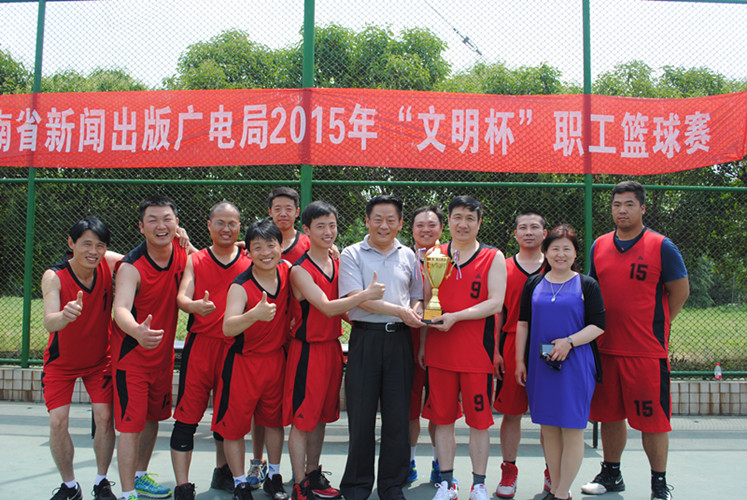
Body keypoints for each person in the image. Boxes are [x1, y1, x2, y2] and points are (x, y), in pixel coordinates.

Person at [581, 181, 689, 500]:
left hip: (646, 352)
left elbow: (680, 292)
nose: (622, 210)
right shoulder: (599, 245)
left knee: (653, 421)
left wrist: (657, 324)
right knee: (610, 415)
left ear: (642, 208)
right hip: (605, 348)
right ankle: (611, 474)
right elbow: (593, 292)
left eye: (629, 204)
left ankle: (659, 484)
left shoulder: (662, 246)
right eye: (616, 205)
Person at [285, 200, 385, 500]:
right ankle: (299, 484)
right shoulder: (300, 270)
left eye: (332, 225)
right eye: (320, 226)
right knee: (302, 420)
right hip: (307, 352)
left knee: (320, 418)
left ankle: (313, 474)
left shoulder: (336, 262)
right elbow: (328, 307)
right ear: (306, 230)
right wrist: (366, 295)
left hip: (332, 349)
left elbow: (344, 311)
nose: (328, 232)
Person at [338, 194, 424, 500]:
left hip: (400, 341)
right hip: (365, 339)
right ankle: (357, 485)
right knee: (360, 416)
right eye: (378, 219)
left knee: (398, 416)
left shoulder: (408, 255)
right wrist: (401, 311)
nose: (384, 226)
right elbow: (357, 298)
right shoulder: (351, 253)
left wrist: (414, 311)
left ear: (400, 223)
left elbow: (417, 295)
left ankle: (391, 485)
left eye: (390, 220)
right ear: (367, 221)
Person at [111, 195, 195, 500]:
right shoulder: (131, 267)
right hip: (132, 359)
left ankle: (140, 476)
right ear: (141, 227)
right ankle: (127, 493)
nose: (161, 226)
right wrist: (136, 330)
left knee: (151, 420)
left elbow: (211, 262)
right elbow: (120, 308)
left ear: (176, 223)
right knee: (130, 427)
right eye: (153, 220)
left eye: (167, 219)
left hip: (162, 359)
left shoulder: (182, 254)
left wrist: (188, 244)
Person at [423, 196, 507, 500]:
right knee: (443, 420)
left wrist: (456, 317)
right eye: (457, 217)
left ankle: (479, 484)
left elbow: (495, 303)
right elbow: (426, 299)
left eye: (470, 218)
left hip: (476, 355)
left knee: (479, 423)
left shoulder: (493, 256)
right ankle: (447, 483)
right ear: (448, 221)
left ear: (479, 223)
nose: (463, 224)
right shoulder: (434, 255)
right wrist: (422, 328)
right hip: (439, 352)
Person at [515, 225, 605, 500]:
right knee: (549, 429)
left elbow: (598, 325)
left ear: (576, 253)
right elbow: (523, 324)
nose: (561, 254)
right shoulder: (534, 283)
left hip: (576, 366)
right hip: (540, 366)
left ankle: (563, 492)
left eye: (567, 249)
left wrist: (569, 342)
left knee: (573, 429)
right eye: (555, 248)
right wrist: (519, 361)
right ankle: (555, 487)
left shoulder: (586, 285)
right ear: (545, 251)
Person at [170, 201, 251, 499]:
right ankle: (183, 485)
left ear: (239, 226)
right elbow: (182, 296)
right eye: (220, 223)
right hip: (201, 347)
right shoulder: (197, 259)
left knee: (226, 417)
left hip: (234, 349)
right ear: (209, 225)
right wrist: (194, 306)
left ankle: (223, 471)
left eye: (232, 223)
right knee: (187, 417)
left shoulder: (250, 258)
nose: (226, 228)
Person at [41, 217, 121, 500]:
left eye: (100, 245)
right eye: (86, 244)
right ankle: (70, 486)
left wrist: (178, 238)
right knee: (57, 422)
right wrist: (64, 315)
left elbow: (145, 260)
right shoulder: (54, 276)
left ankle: (101, 481)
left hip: (99, 360)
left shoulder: (107, 263)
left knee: (105, 417)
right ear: (71, 243)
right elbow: (49, 321)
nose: (93, 251)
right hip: (61, 363)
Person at [216, 219, 293, 500]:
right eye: (257, 247)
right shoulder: (240, 285)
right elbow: (228, 327)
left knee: (274, 422)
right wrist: (254, 315)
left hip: (275, 362)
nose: (265, 252)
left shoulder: (287, 271)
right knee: (234, 427)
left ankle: (274, 476)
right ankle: (240, 484)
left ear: (281, 247)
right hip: (243, 364)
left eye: (271, 245)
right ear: (248, 252)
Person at [246, 186, 308, 490]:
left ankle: (292, 469)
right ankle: (257, 462)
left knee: (283, 411)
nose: (283, 213)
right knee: (260, 411)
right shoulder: (257, 245)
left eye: (289, 208)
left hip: (295, 341)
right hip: (261, 342)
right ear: (269, 211)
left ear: (298, 211)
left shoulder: (308, 243)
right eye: (277, 208)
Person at [493, 210, 549, 498]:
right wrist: (495, 351)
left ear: (544, 233)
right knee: (512, 413)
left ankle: (553, 472)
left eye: (534, 227)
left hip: (549, 348)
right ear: (515, 234)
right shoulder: (503, 267)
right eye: (523, 227)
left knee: (550, 416)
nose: (529, 232)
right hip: (512, 343)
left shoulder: (556, 264)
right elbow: (498, 313)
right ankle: (509, 470)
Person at [407, 205, 447, 485]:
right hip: (407, 341)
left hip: (442, 340)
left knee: (439, 408)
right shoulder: (401, 256)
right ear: (411, 229)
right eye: (420, 224)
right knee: (409, 408)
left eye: (431, 224)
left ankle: (439, 463)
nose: (426, 229)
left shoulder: (451, 257)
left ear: (441, 229)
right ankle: (408, 461)